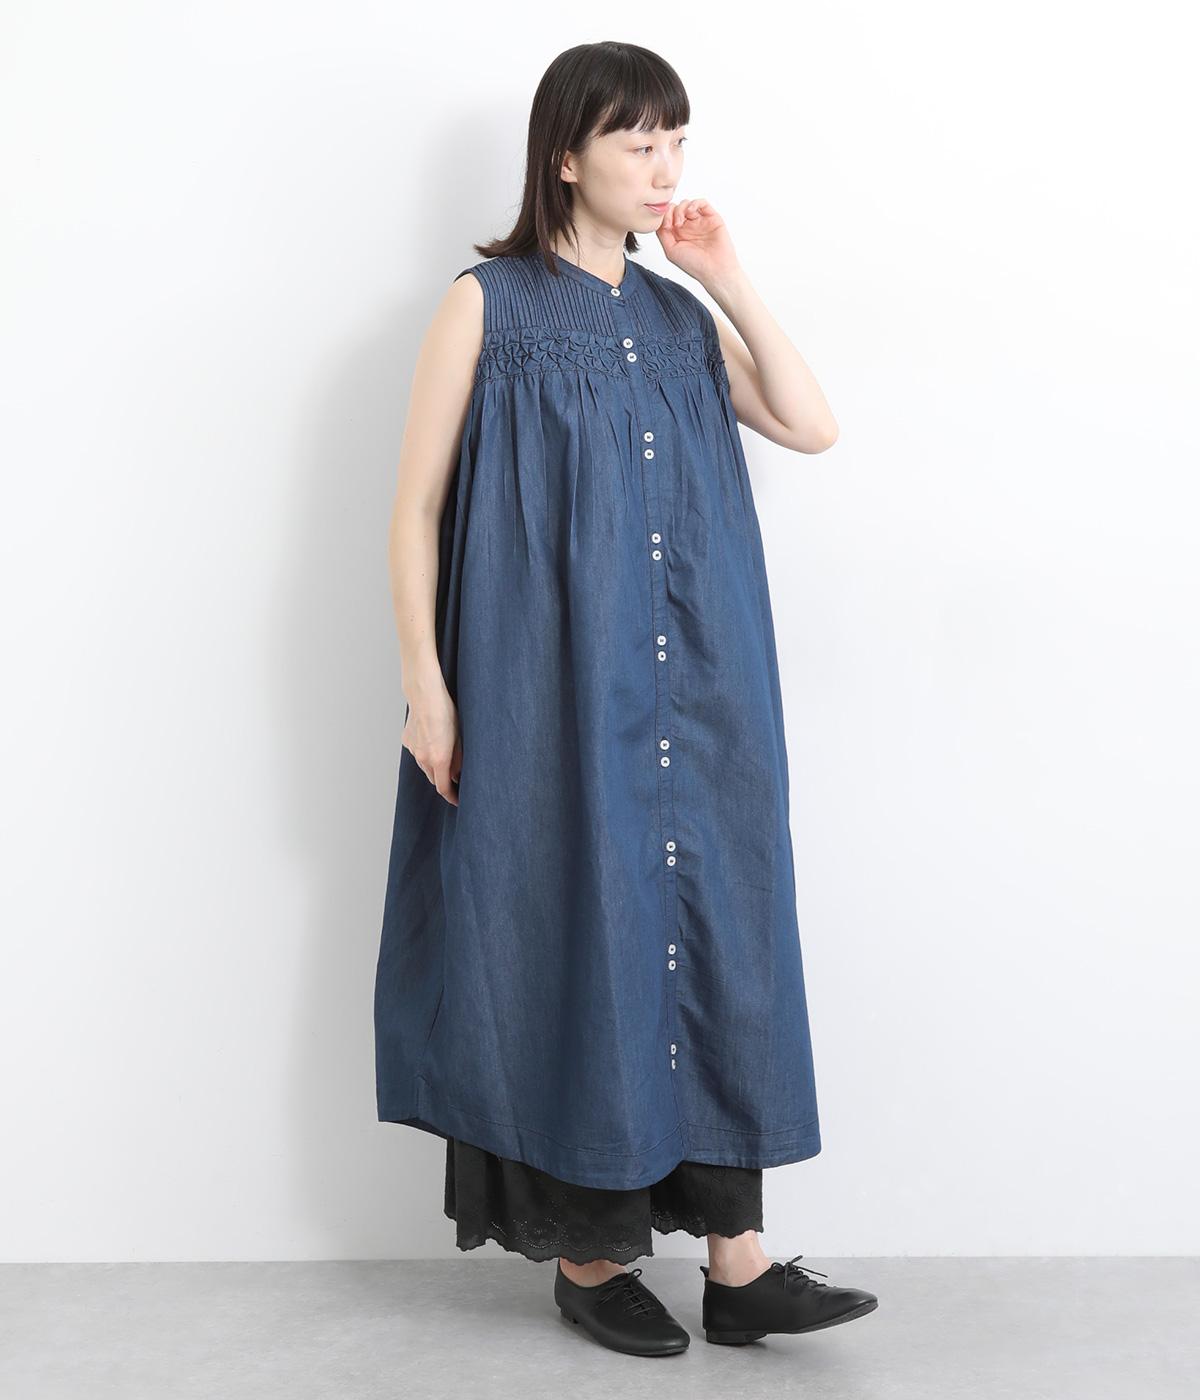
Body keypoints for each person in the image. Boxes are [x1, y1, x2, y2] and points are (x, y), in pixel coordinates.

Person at [374, 41, 878, 1357]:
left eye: (677, 141)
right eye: (637, 143)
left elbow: (812, 423)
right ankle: (591, 1260)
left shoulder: (678, 318)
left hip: (702, 683)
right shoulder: (486, 306)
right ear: (566, 156)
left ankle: (738, 1264)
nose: (665, 168)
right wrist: (427, 688)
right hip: (548, 683)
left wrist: (726, 277)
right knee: (573, 930)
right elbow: (416, 506)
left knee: (715, 934)